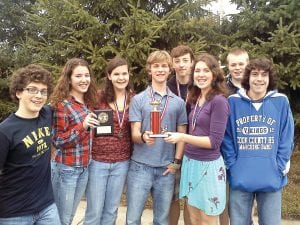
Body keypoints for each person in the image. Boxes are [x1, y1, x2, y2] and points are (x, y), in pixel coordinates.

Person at [221, 58, 294, 225]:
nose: (259, 79)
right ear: (248, 77)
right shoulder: (233, 102)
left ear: (270, 78)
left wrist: (280, 165)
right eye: (254, 74)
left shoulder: (280, 101)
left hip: (271, 176)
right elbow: (227, 137)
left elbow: (286, 136)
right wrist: (233, 165)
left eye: (264, 75)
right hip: (240, 177)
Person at [165, 53, 229, 225]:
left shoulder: (219, 102)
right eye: (198, 71)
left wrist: (182, 137)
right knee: (193, 215)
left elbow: (214, 142)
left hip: (208, 166)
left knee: (207, 217)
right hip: (191, 163)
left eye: (206, 70)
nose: (201, 74)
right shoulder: (196, 98)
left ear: (214, 74)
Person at [126, 50, 187, 225]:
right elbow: (134, 134)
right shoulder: (138, 99)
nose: (160, 70)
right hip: (140, 167)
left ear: (170, 70)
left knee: (161, 220)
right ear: (149, 70)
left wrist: (176, 163)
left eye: (164, 66)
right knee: (132, 219)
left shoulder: (178, 102)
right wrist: (143, 137)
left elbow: (181, 135)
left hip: (166, 170)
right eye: (156, 66)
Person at [0, 64, 61, 225]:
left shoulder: (46, 114)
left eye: (43, 91)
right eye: (32, 90)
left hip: (47, 206)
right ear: (19, 92)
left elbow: (67, 93)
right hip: (14, 213)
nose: (39, 96)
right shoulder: (5, 131)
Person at [84, 56, 134, 225]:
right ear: (109, 76)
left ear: (129, 75)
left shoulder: (135, 99)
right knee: (94, 211)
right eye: (117, 74)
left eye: (124, 73)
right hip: (98, 161)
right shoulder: (98, 97)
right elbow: (84, 118)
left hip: (122, 163)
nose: (121, 78)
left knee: (111, 211)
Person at [50, 58, 99, 225]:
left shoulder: (89, 103)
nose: (84, 80)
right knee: (62, 219)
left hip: (84, 167)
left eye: (87, 75)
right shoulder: (61, 105)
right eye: (78, 76)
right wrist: (83, 126)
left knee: (70, 217)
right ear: (69, 79)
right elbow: (58, 141)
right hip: (66, 169)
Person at [220, 47, 249, 225]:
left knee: (244, 205)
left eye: (241, 64)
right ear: (228, 66)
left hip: (248, 153)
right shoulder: (222, 89)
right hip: (224, 154)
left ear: (248, 64)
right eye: (233, 64)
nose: (237, 68)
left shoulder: (257, 85)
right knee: (224, 202)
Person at [168, 45, 194, 225]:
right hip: (172, 146)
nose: (181, 65)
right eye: (177, 61)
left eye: (185, 60)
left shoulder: (201, 81)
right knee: (173, 196)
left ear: (192, 62)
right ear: (172, 64)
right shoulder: (167, 85)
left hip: (195, 147)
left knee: (192, 198)